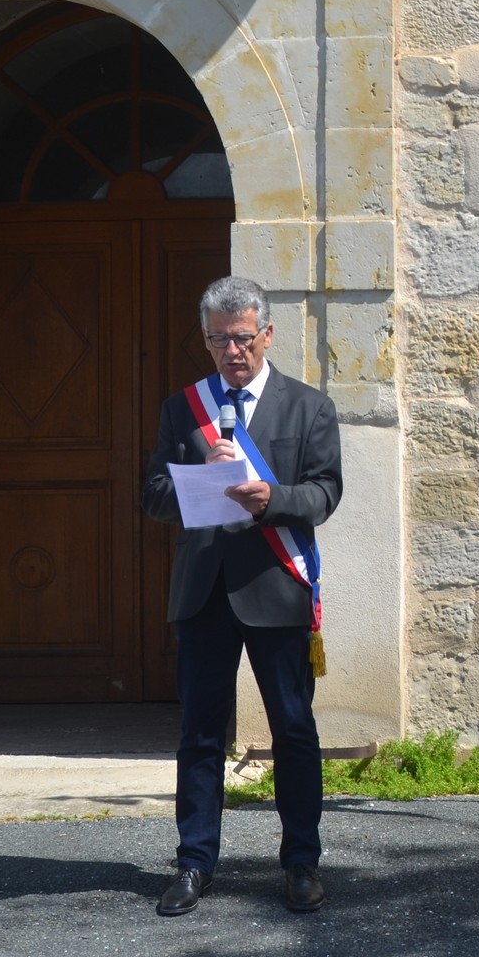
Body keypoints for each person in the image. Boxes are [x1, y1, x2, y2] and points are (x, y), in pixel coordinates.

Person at [142, 276, 342, 916]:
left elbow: (323, 493)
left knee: (293, 730)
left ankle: (302, 864)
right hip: (204, 594)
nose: (232, 351)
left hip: (275, 589)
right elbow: (150, 495)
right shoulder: (184, 409)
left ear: (267, 335)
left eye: (243, 338)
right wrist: (198, 483)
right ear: (206, 341)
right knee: (200, 735)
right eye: (219, 340)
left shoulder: (307, 407)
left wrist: (271, 499)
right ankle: (194, 863)